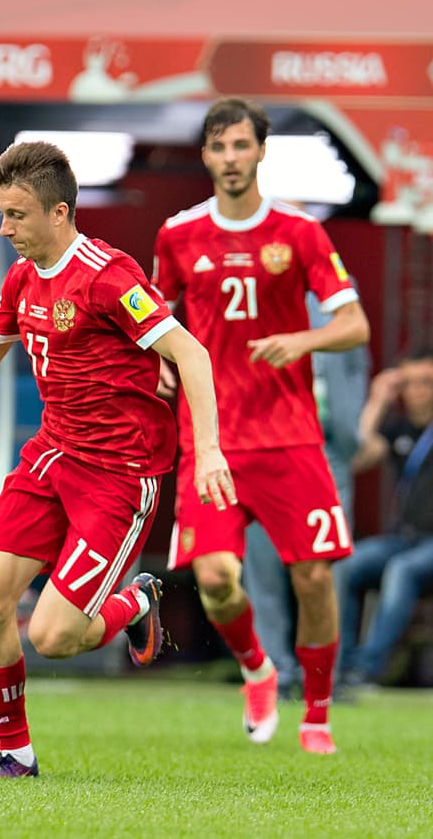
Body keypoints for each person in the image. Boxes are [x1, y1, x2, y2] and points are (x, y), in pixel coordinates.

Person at [0, 141, 235, 778]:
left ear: (59, 212)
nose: (5, 229)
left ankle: (134, 602)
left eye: (16, 215)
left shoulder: (109, 276)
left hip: (120, 471)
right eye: (1, 214)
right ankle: (16, 755)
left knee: (54, 638)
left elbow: (192, 355)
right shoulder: (22, 276)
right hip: (52, 454)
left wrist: (209, 453)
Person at [153, 97, 371, 755]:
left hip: (289, 435)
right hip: (211, 438)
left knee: (313, 576)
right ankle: (257, 666)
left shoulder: (300, 231)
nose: (229, 159)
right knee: (216, 578)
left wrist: (303, 341)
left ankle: (319, 712)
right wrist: (161, 363)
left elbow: (354, 323)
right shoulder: (178, 234)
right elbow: (153, 319)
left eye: (240, 146)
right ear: (205, 156)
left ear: (260, 151)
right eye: (218, 148)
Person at [240, 291, 370, 700]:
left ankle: (324, 674)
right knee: (262, 562)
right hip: (264, 443)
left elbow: (355, 364)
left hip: (326, 445)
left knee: (329, 565)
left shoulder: (339, 289)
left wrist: (351, 436)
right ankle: (273, 670)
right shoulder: (252, 285)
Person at [335, 347, 433, 686]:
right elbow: (356, 457)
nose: (417, 391)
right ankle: (341, 665)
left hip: (426, 548)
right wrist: (377, 400)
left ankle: (367, 668)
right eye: (410, 383)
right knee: (346, 564)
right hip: (404, 538)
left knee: (400, 571)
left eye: (426, 382)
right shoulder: (400, 429)